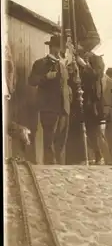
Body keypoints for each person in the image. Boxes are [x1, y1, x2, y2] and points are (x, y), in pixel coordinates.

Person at [28, 35, 72, 165]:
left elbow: (65, 84)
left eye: (61, 48)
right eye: (58, 47)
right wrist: (45, 77)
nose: (60, 50)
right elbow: (32, 81)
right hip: (48, 107)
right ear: (52, 47)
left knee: (61, 138)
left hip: (64, 107)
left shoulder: (63, 65)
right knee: (49, 137)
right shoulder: (41, 63)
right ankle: (50, 164)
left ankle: (60, 165)